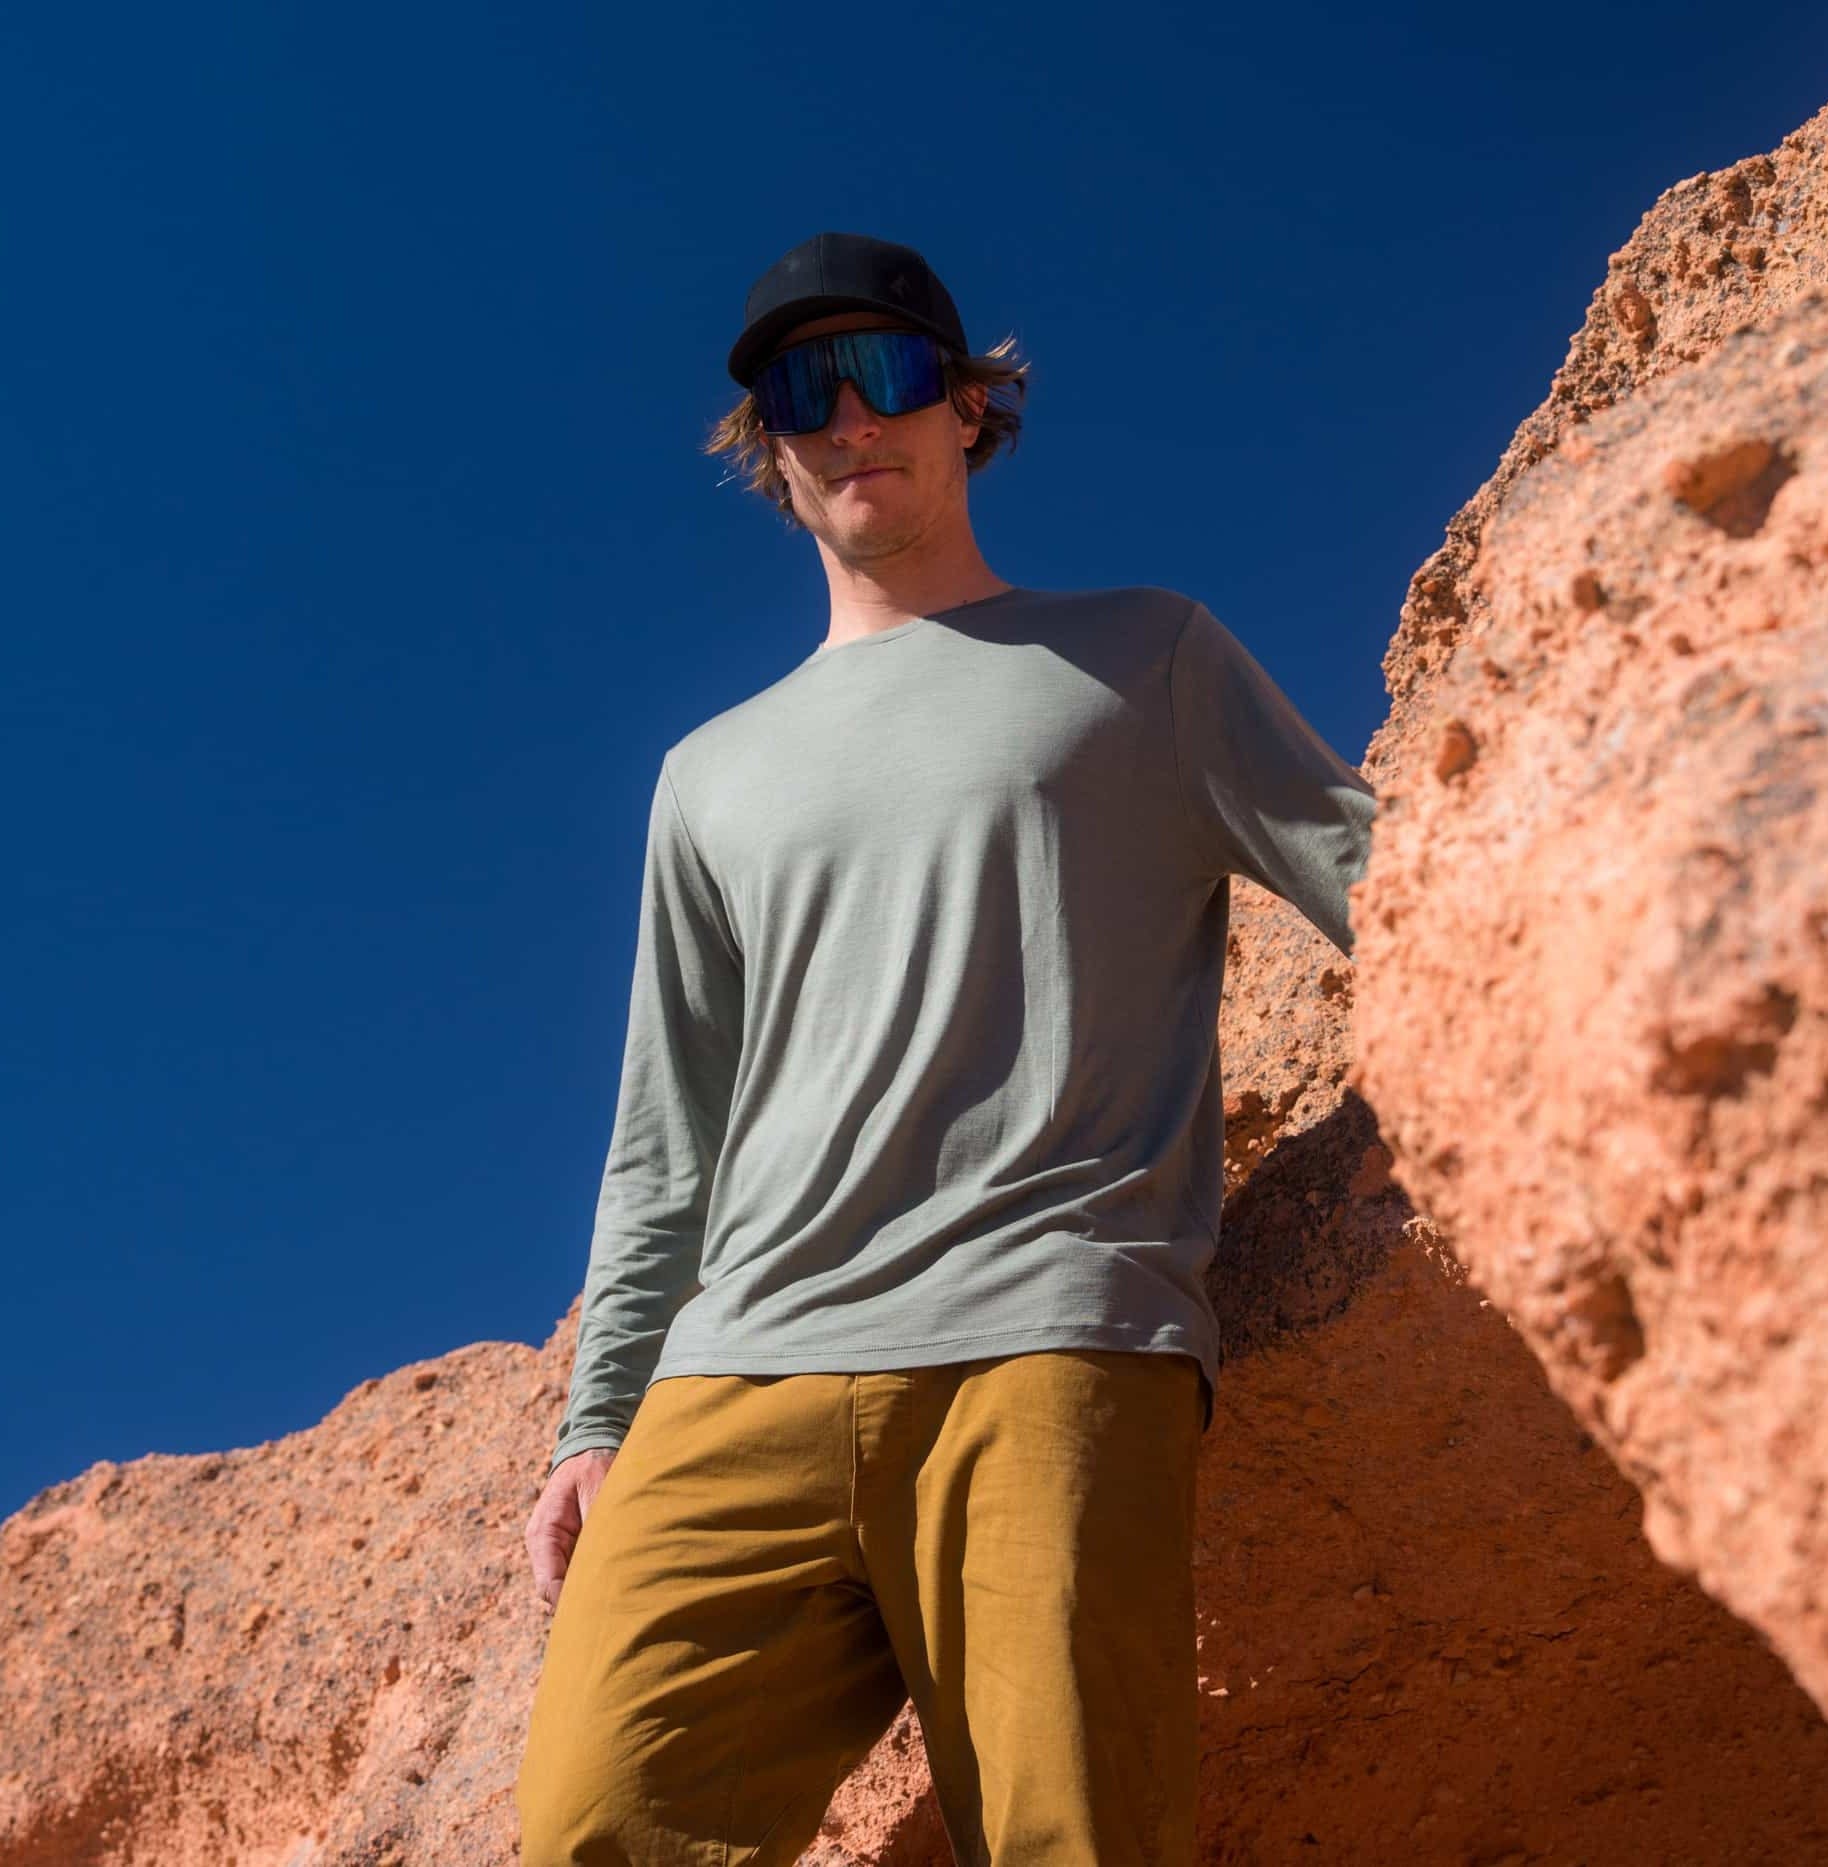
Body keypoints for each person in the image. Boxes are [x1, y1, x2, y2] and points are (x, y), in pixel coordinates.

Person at [516, 230, 1377, 1865]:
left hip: (1044, 1337)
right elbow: (668, 1135)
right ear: (764, 444)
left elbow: (1397, 888)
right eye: (799, 391)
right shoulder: (708, 773)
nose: (851, 419)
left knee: (1075, 1838)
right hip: (739, 1374)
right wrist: (596, 1415)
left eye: (891, 375)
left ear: (972, 409)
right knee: (590, 1825)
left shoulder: (1147, 657)